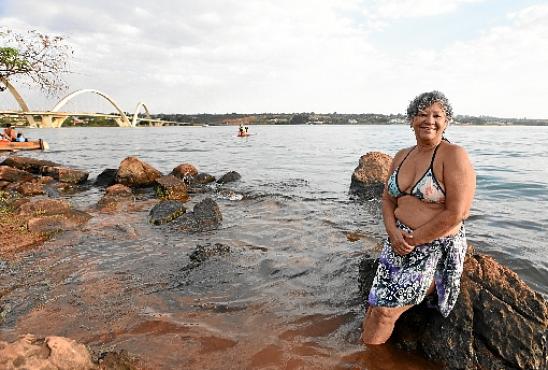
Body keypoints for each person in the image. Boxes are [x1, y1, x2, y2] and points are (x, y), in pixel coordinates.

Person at [362, 91, 476, 345]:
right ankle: (362, 353)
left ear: (446, 122)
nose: (429, 120)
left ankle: (362, 360)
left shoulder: (453, 155)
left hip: (433, 246)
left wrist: (412, 240)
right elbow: (388, 199)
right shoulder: (402, 155)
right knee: (373, 305)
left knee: (384, 313)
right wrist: (393, 233)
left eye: (437, 115)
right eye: (422, 114)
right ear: (411, 120)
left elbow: (458, 213)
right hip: (397, 241)